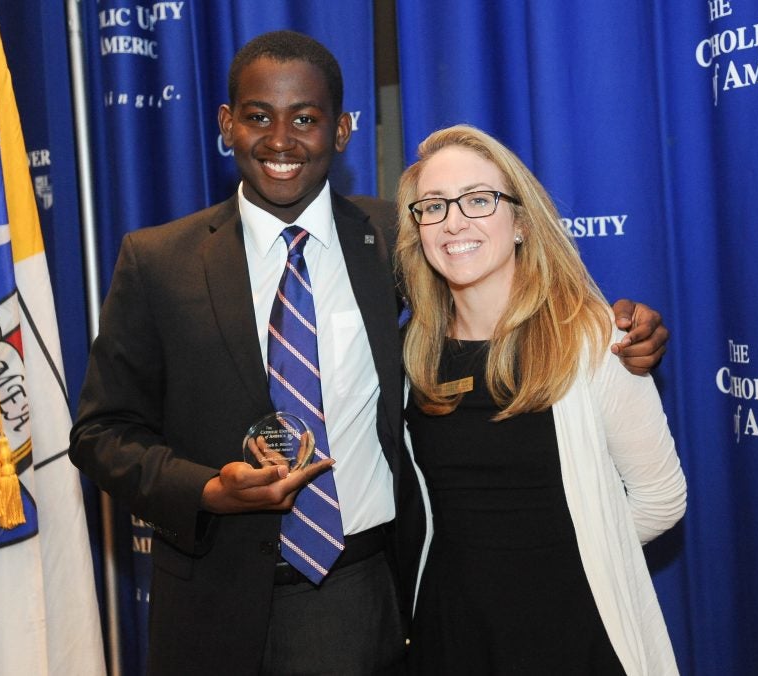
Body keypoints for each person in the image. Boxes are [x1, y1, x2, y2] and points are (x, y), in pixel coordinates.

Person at [70, 32, 669, 675]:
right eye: (257, 117)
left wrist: (623, 327)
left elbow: (500, 288)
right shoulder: (159, 260)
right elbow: (102, 433)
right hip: (210, 600)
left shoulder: (399, 237)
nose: (280, 140)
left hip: (357, 595)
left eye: (305, 118)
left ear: (343, 130)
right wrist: (208, 491)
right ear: (227, 123)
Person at [395, 125, 687, 675]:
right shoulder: (412, 354)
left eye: (479, 200)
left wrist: (579, 549)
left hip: (571, 632)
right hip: (451, 634)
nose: (454, 221)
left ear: (522, 221)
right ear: (418, 229)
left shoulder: (594, 340)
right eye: (432, 206)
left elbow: (661, 499)